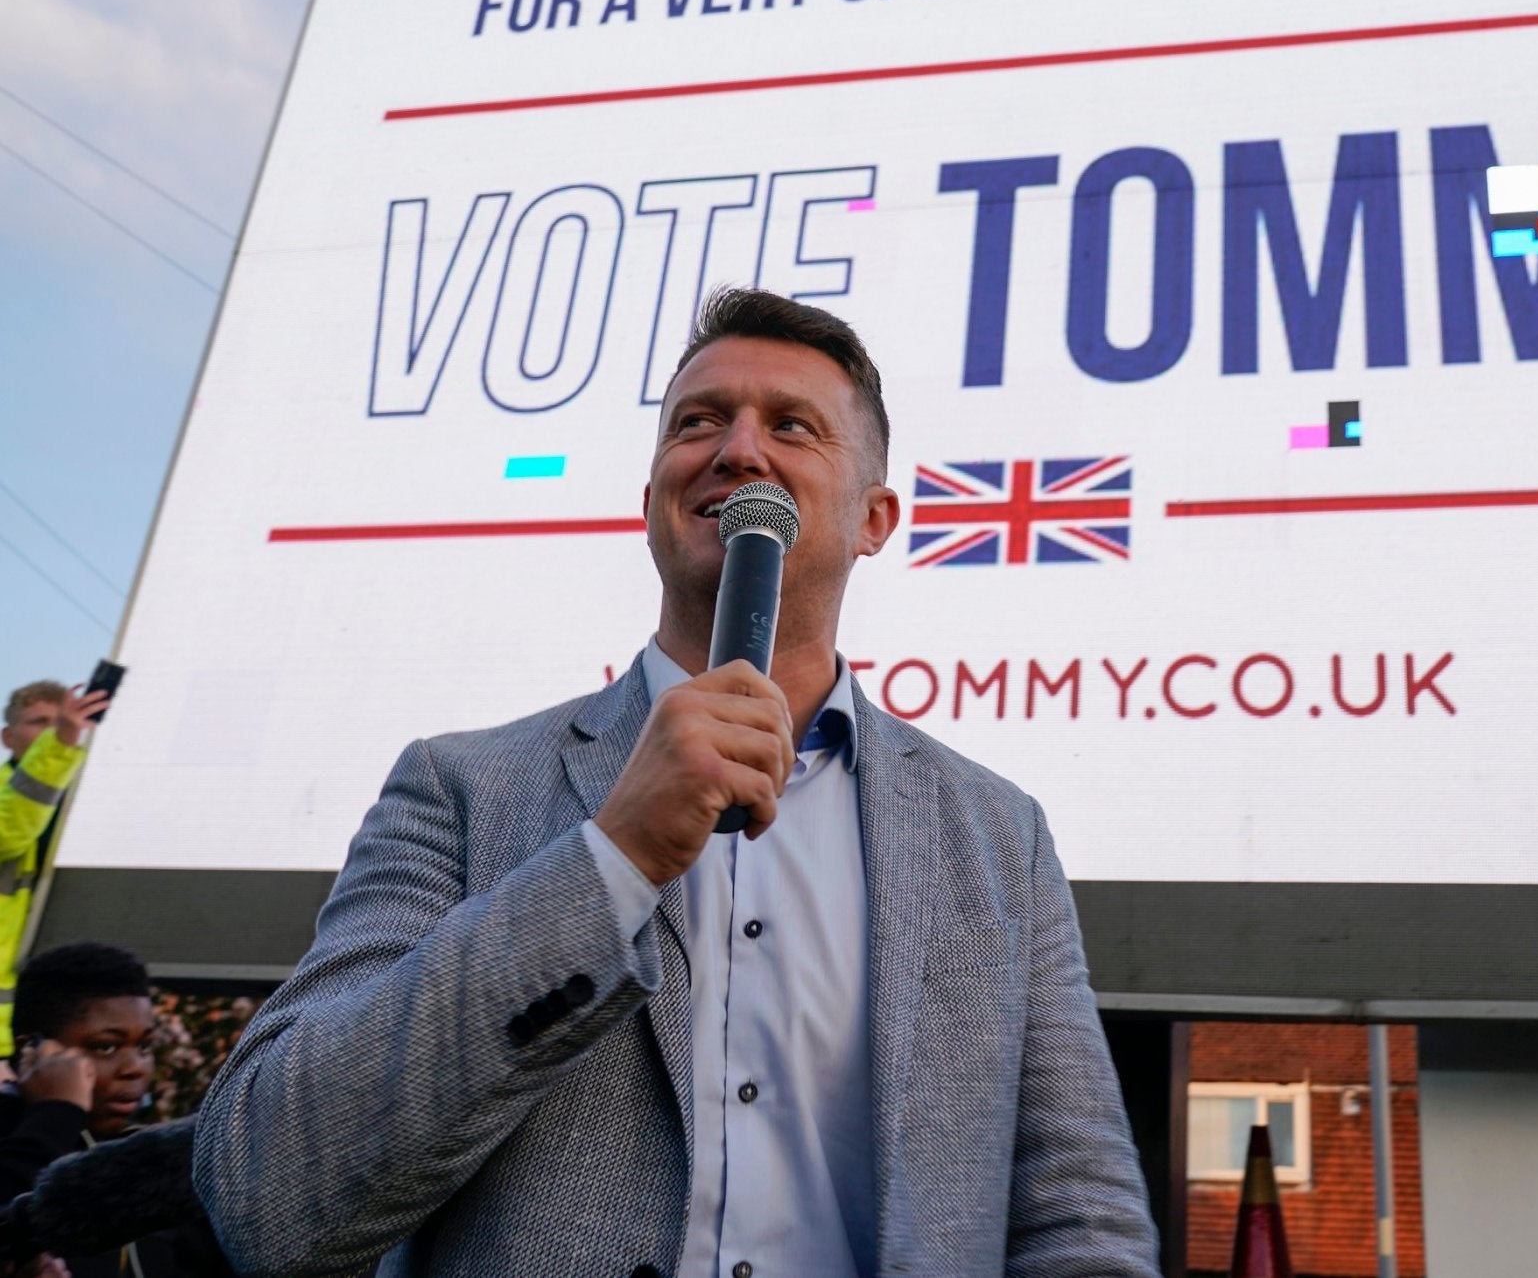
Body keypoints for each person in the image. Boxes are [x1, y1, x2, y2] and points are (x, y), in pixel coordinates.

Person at [196, 288, 1158, 1278]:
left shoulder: (997, 834)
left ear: (875, 518)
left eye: (791, 425)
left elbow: (1079, 1217)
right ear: (652, 494)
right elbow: (270, 1195)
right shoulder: (459, 789)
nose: (737, 448)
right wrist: (609, 859)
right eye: (697, 421)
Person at [0, 942, 233, 1276]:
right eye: (105, 1047)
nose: (135, 1068)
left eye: (145, 1046)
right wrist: (57, 1112)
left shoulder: (149, 1165)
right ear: (33, 1052)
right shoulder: (19, 1141)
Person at [0, 684, 108, 1059]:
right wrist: (62, 740)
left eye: (60, 721)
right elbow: (10, 831)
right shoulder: (8, 794)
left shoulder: (90, 800)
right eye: (39, 723)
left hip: (63, 1017)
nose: (51, 731)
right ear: (8, 737)